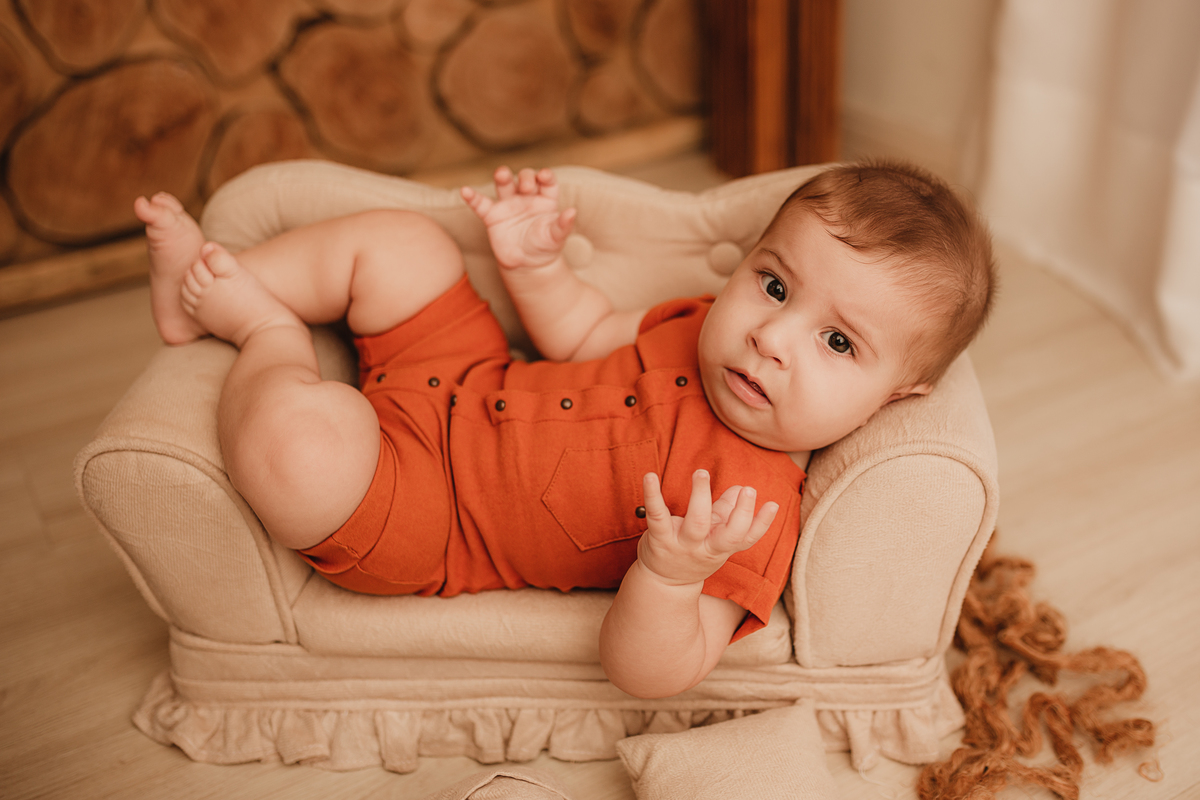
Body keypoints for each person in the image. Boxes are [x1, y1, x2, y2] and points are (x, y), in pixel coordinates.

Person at [133, 160, 994, 699]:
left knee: (300, 452)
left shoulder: (741, 515)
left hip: (426, 512)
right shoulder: (694, 323)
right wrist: (533, 264)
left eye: (837, 342)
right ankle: (208, 290)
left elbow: (649, 674)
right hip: (466, 375)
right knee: (402, 244)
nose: (772, 338)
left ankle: (263, 331)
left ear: (895, 397)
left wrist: (668, 573)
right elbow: (580, 336)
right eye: (774, 286)